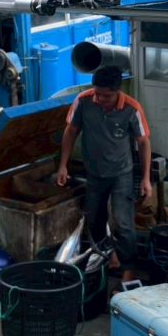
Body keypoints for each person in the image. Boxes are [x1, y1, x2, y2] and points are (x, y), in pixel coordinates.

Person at [57, 65, 152, 283]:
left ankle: (129, 270)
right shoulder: (83, 101)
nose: (100, 98)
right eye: (97, 93)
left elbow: (143, 142)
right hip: (94, 173)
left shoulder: (131, 108)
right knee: (95, 219)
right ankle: (111, 257)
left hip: (121, 173)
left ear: (118, 91)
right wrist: (63, 165)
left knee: (123, 222)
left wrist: (146, 178)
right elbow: (71, 131)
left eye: (106, 96)